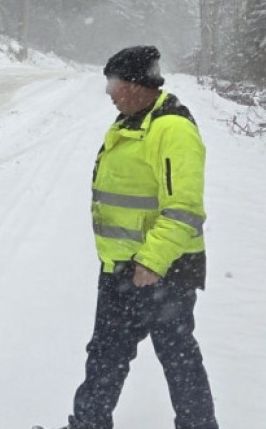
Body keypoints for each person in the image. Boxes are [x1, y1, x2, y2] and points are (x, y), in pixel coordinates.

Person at [61, 45, 219, 429]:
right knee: (105, 353)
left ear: (136, 84)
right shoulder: (130, 122)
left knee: (178, 356)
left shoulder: (172, 129)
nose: (109, 92)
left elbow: (184, 209)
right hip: (121, 267)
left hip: (164, 271)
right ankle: (88, 424)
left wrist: (152, 261)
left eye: (114, 83)